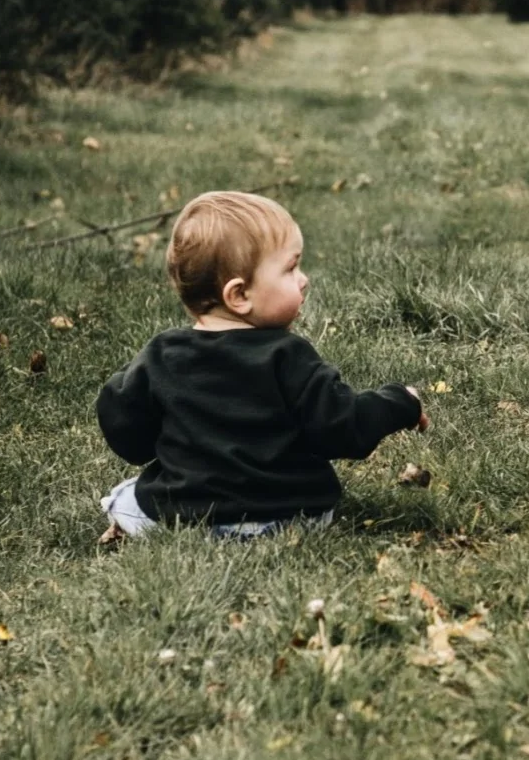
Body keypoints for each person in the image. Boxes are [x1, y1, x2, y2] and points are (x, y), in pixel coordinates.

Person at [95, 191, 427, 540]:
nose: (304, 279)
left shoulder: (162, 356)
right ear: (239, 296)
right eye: (290, 268)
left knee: (130, 494)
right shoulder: (289, 357)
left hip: (189, 518)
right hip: (291, 517)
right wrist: (401, 401)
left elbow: (131, 441)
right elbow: (344, 428)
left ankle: (126, 526)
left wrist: (123, 395)